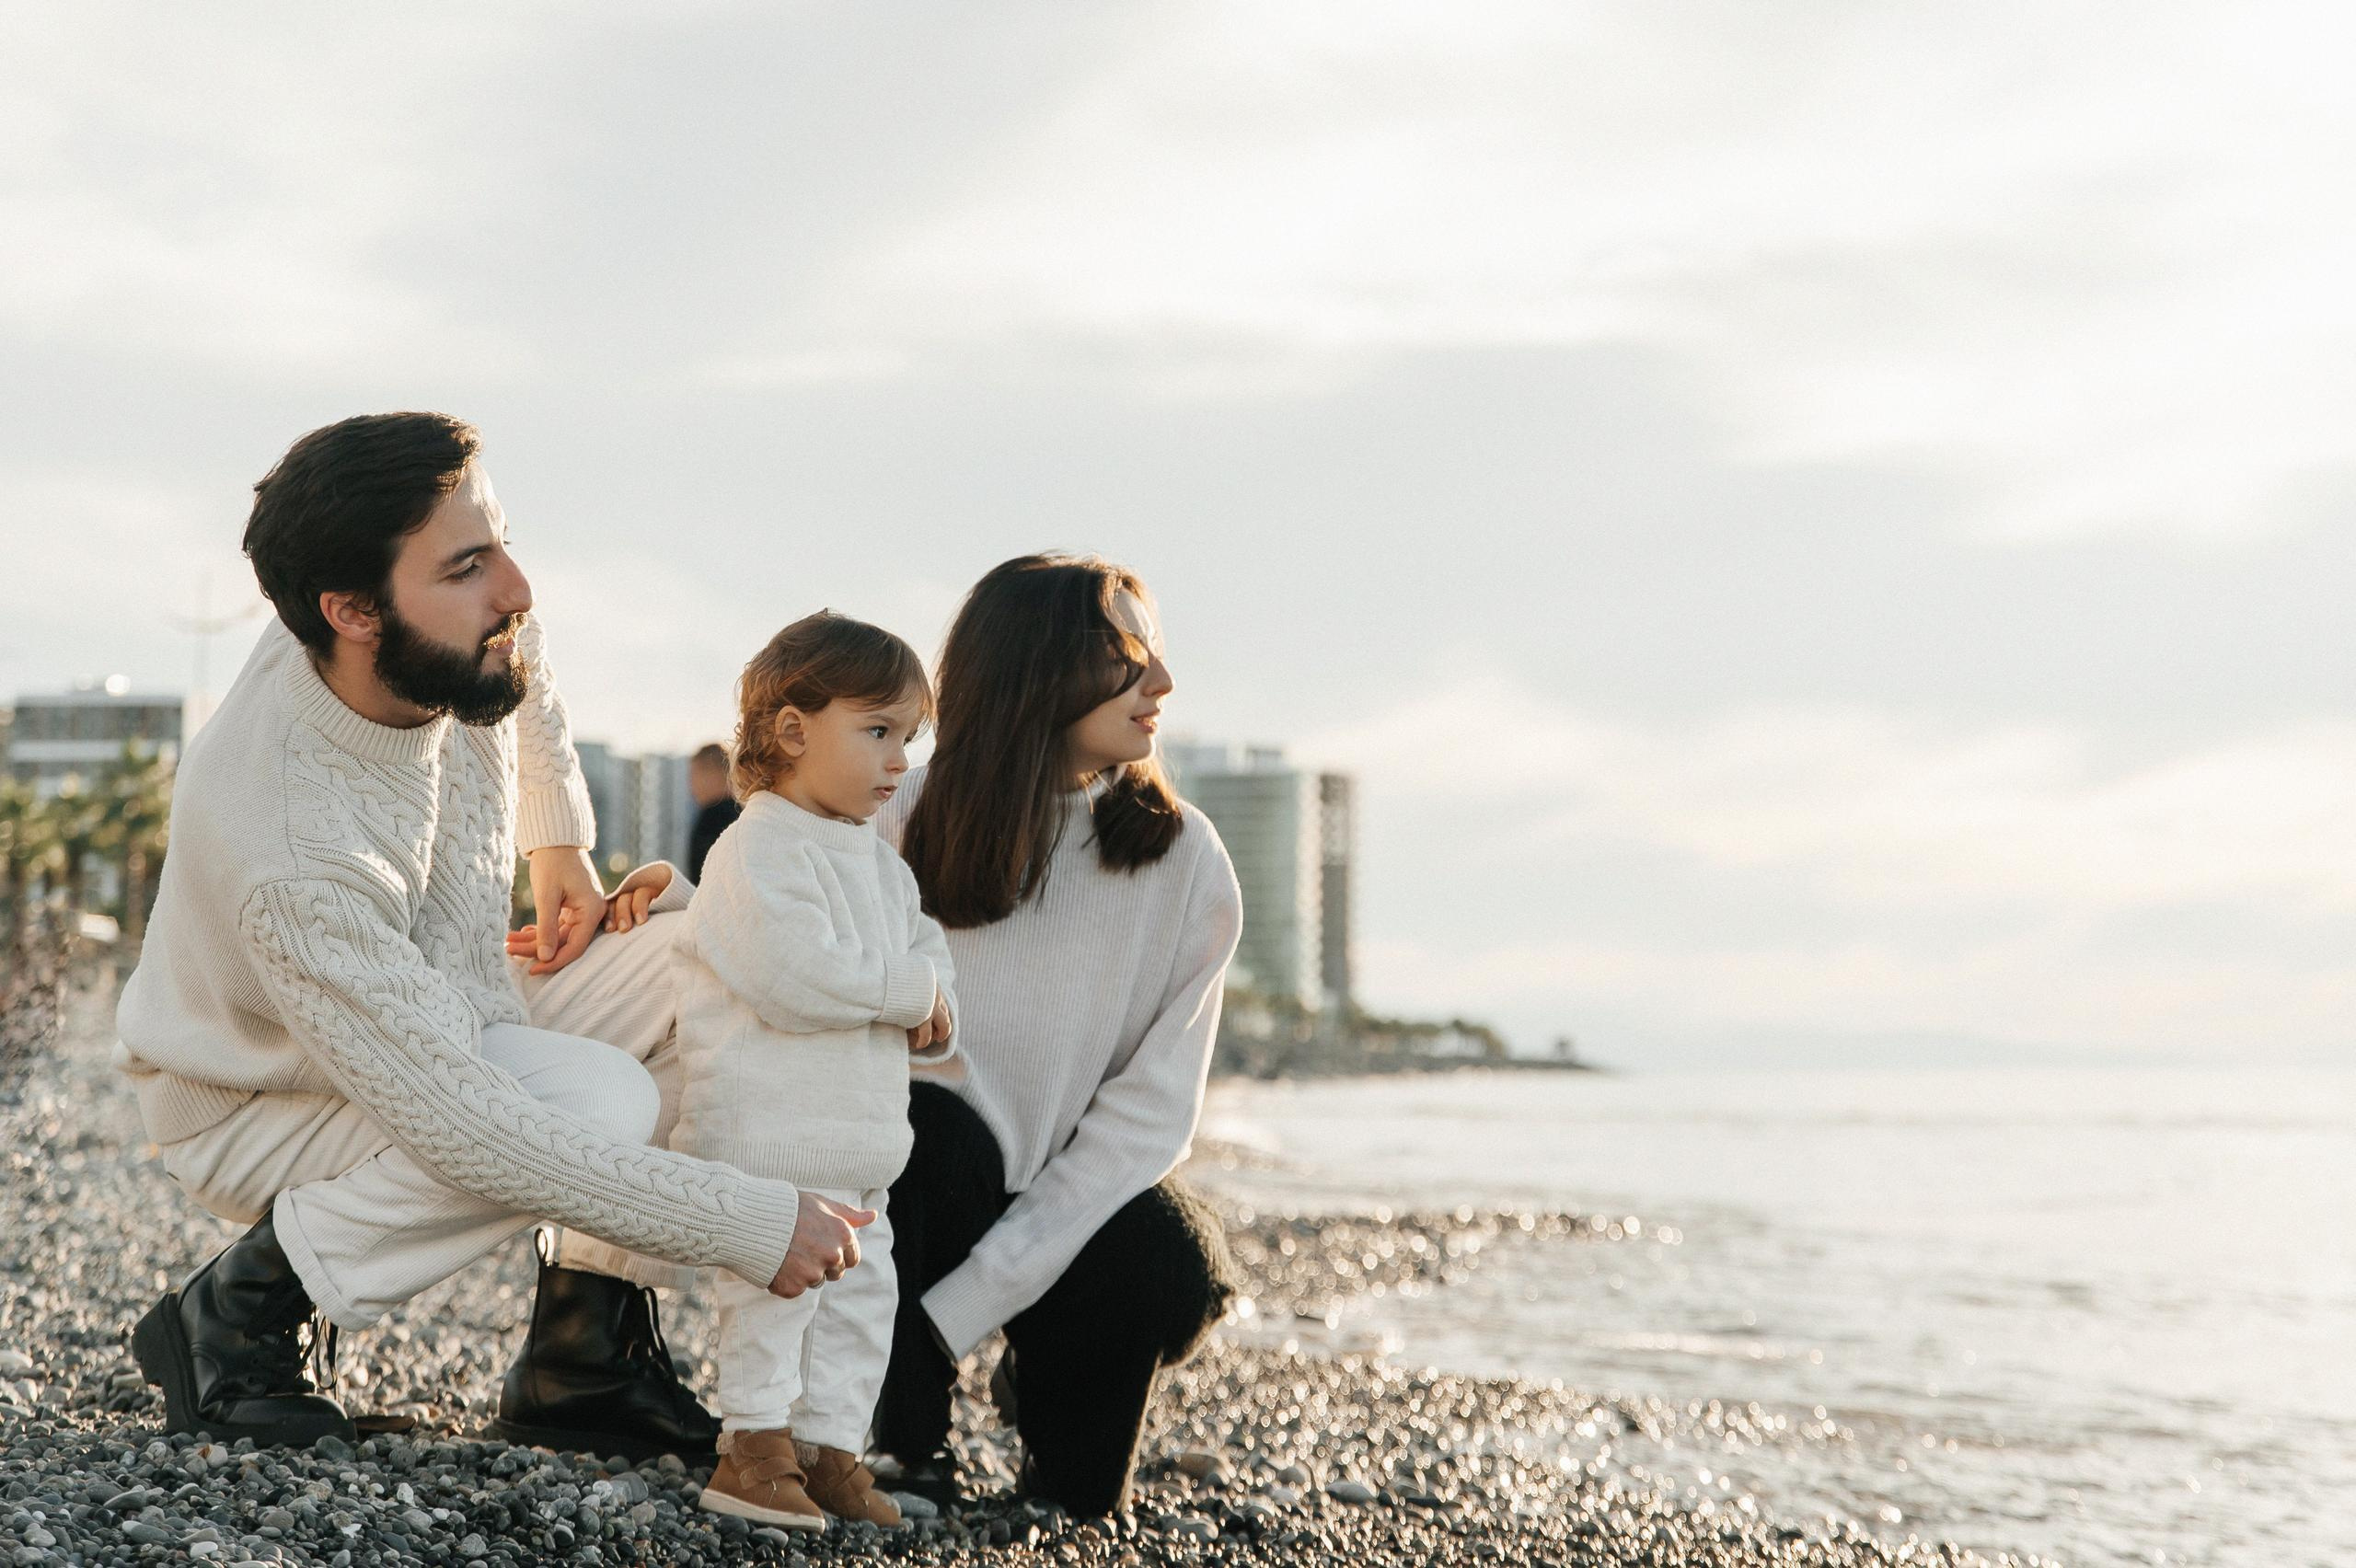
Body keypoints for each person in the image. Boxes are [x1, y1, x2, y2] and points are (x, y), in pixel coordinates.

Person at [115, 412, 872, 1455]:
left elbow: (527, 659)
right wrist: (745, 1221)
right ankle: (232, 1320)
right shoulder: (290, 844)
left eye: (501, 542)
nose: (516, 587)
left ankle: (582, 1362)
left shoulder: (426, 636)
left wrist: (555, 838)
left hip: (448, 1006)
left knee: (720, 963)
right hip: (266, 1099)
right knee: (598, 1097)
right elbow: (468, 1127)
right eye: (470, 566)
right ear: (349, 611)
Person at [872, 554, 1243, 1518]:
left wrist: (958, 1313)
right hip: (904, 1200)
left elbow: (1147, 1123)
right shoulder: (900, 815)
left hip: (1067, 1212)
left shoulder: (1185, 858)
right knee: (929, 1127)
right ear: (1034, 666)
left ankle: (1034, 1390)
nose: (1160, 684)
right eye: (1128, 656)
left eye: (1157, 656)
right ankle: (902, 1439)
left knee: (1173, 1258)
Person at [669, 612, 959, 1531]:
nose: (898, 761)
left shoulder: (883, 868)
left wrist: (927, 998)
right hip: (770, 1136)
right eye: (877, 732)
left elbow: (931, 959)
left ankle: (830, 1450)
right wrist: (912, 992)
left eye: (906, 739)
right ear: (793, 729)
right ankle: (752, 1447)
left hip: (861, 1140)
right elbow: (794, 976)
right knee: (772, 1297)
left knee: (859, 1304)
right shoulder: (756, 846)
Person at [685, 742, 742, 884]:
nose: (691, 786)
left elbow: (700, 882)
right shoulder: (744, 815)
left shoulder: (711, 819)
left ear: (710, 774)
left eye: (694, 775)